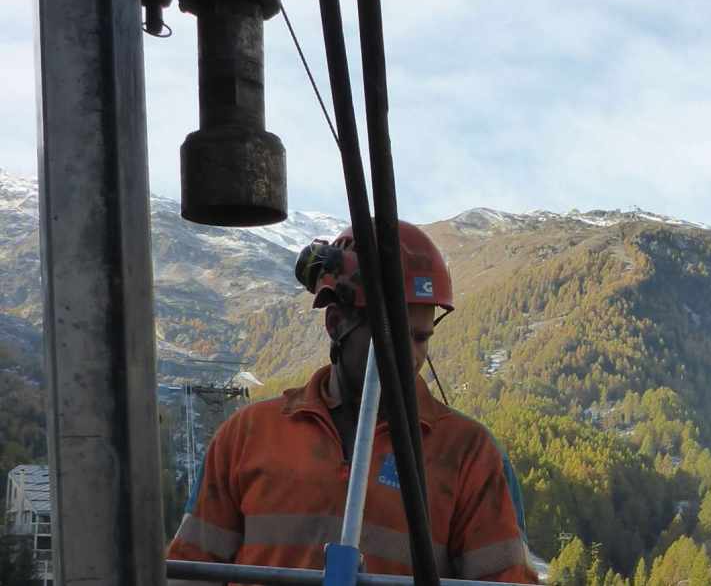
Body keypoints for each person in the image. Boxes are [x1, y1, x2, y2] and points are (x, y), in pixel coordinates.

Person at [168, 221, 537, 584]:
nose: (410, 355)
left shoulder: (467, 452)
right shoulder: (248, 435)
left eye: (421, 337)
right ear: (336, 324)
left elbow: (505, 579)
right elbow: (189, 570)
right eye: (392, 335)